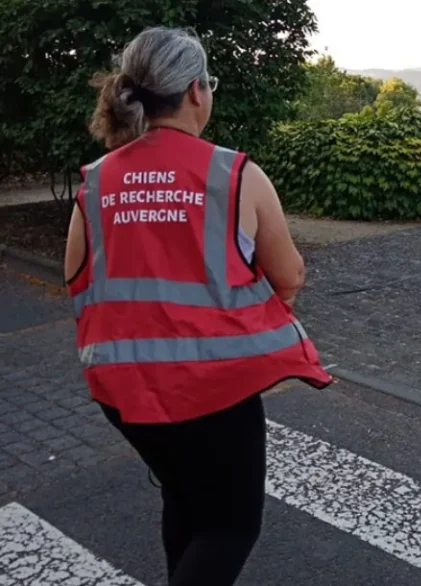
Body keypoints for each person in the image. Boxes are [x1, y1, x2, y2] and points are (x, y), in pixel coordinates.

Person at [63, 26, 333, 586]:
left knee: (185, 500)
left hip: (124, 391)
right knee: (230, 528)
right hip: (216, 393)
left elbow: (76, 280)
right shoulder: (235, 175)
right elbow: (292, 275)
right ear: (195, 91)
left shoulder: (94, 182)